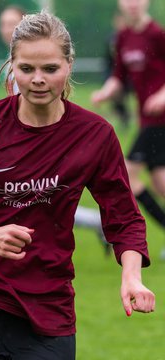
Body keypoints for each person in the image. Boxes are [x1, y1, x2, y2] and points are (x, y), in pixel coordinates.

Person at [0, 11, 155, 360]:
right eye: (26, 69)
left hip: (47, 307)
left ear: (69, 65)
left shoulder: (94, 135)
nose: (37, 79)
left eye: (50, 69)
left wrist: (131, 277)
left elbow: (124, 217)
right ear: (12, 66)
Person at [0, 5, 110, 254]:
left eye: (12, 24)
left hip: (38, 143)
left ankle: (95, 225)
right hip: (22, 143)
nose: (37, 78)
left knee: (41, 197)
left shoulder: (96, 131)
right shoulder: (13, 64)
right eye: (3, 24)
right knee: (36, 199)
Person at [92, 0, 165, 257]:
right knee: (159, 182)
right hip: (148, 121)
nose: (132, 3)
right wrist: (105, 93)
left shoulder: (158, 35)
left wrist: (162, 95)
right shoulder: (123, 37)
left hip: (161, 120)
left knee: (128, 175)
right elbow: (118, 76)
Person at [103, 12, 131, 129]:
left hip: (129, 74)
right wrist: (107, 75)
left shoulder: (131, 37)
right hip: (115, 74)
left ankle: (127, 116)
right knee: (115, 98)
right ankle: (124, 116)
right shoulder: (111, 39)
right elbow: (107, 59)